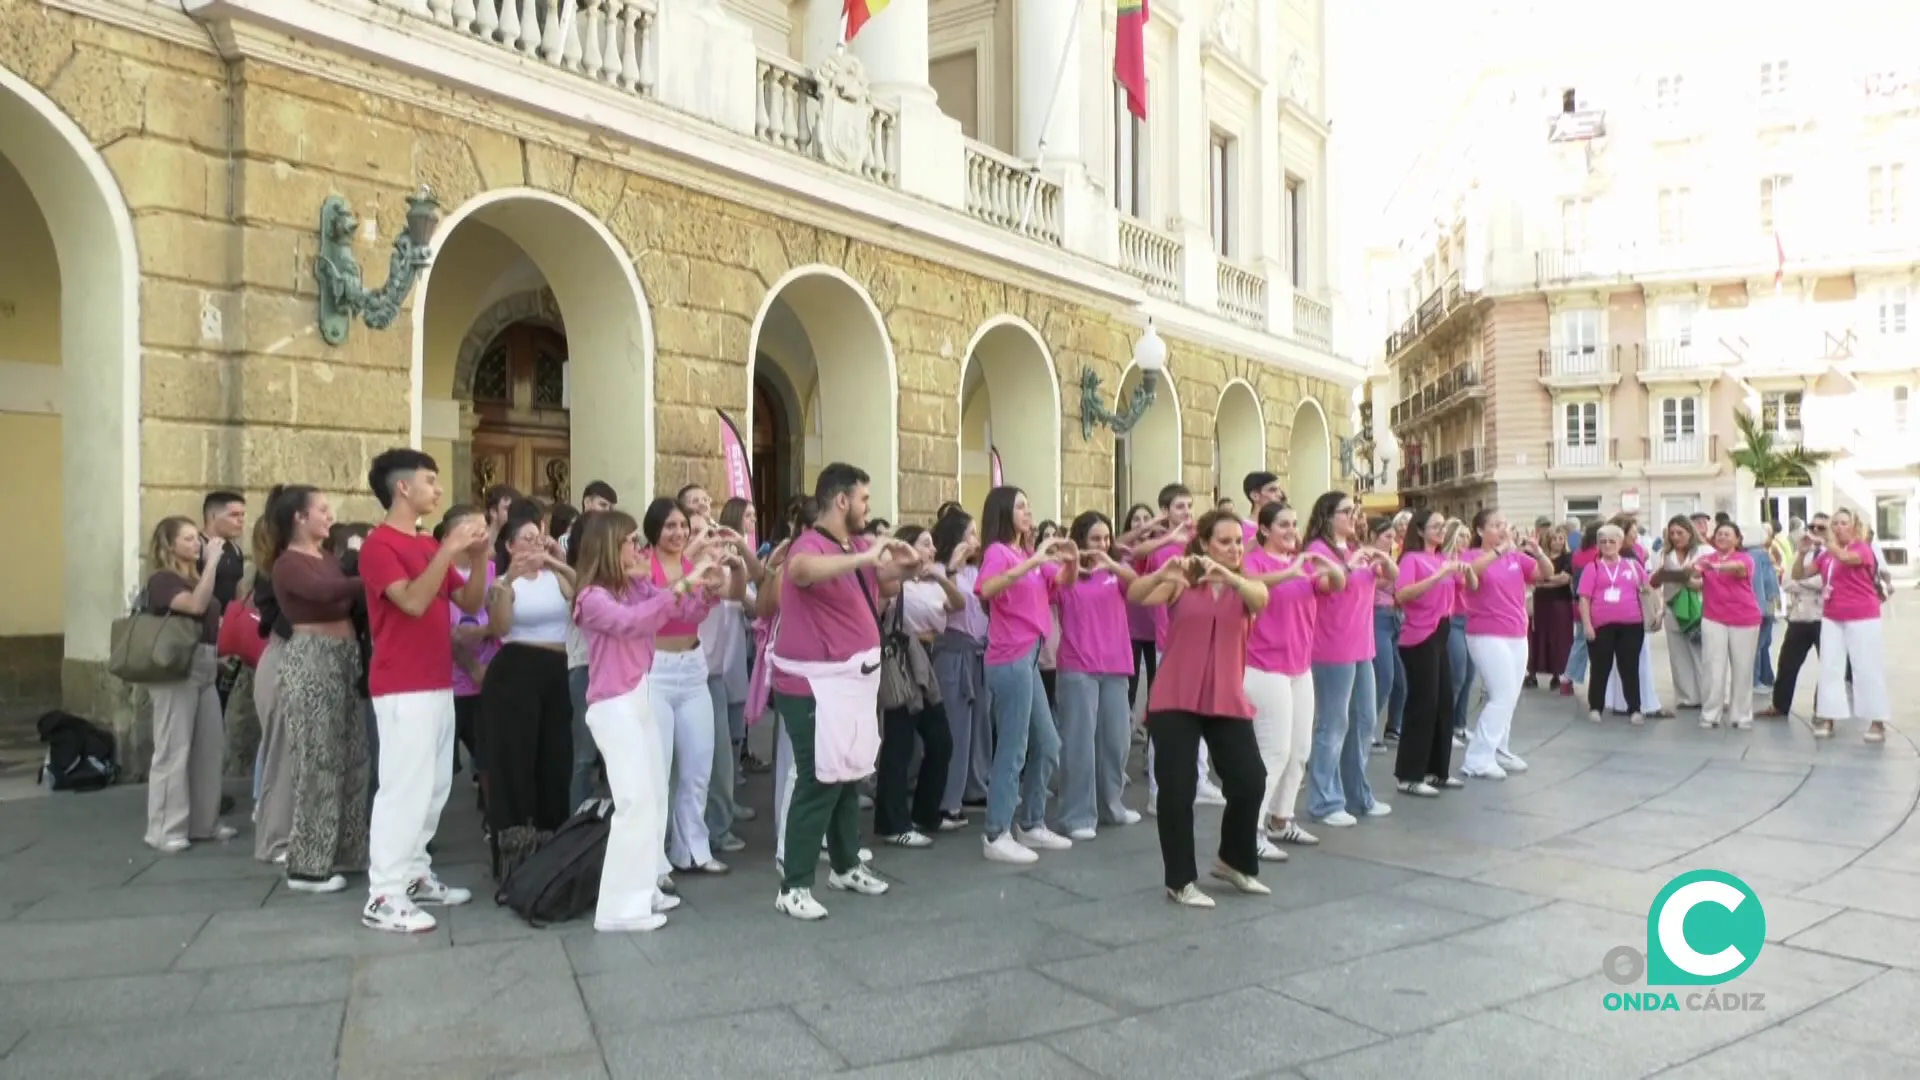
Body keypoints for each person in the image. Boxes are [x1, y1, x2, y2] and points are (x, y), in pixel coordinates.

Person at [572, 509, 725, 932]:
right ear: (610, 547)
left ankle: (644, 889)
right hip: (613, 704)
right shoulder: (592, 598)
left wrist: (707, 589)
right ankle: (619, 909)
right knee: (634, 804)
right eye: (632, 542)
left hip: (637, 695)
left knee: (654, 796)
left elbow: (674, 611)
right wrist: (685, 583)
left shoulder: (633, 586)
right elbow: (633, 623)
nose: (640, 549)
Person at [358, 449, 490, 934]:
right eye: (430, 481)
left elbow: (469, 603)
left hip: (436, 681)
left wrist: (475, 561)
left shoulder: (424, 546)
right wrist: (448, 550)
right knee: (403, 789)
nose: (438, 490)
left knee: (434, 785)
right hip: (401, 684)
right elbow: (412, 602)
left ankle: (413, 873)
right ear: (402, 488)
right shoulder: (379, 545)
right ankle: (384, 894)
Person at [767, 463, 907, 920]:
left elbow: (885, 582)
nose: (869, 507)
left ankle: (845, 866)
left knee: (849, 774)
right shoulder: (810, 545)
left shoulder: (857, 545)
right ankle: (793, 887)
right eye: (864, 498)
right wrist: (866, 557)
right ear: (842, 500)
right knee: (818, 779)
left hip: (851, 682)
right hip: (811, 686)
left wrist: (911, 562)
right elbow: (802, 571)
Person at [1128, 510, 1271, 909]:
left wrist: (1231, 577)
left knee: (1250, 779)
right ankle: (1180, 880)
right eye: (1224, 542)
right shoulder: (1182, 582)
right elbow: (1135, 594)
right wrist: (1164, 573)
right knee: (1177, 789)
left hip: (1225, 696)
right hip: (1175, 695)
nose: (1234, 548)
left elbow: (1261, 597)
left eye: (1239, 542)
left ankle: (1233, 860)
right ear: (1205, 544)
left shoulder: (1245, 587)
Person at [269, 486, 371, 894]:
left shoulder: (327, 558)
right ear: (299, 517)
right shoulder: (288, 564)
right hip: (312, 657)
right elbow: (325, 594)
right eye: (322, 510)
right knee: (318, 758)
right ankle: (308, 865)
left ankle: (347, 849)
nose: (329, 517)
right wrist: (366, 575)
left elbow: (341, 596)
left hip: (345, 656)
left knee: (353, 755)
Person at [975, 485, 1077, 863]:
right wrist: (1034, 560)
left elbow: (1063, 581)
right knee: (1013, 748)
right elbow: (986, 588)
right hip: (1009, 658)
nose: (1028, 511)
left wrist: (1072, 557)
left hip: (1030, 657)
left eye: (1028, 504)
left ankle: (1032, 823)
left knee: (1048, 744)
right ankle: (995, 832)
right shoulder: (999, 553)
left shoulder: (1022, 553)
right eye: (1020, 505)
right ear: (1004, 512)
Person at [480, 502, 580, 870]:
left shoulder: (556, 577)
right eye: (527, 538)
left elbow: (580, 591)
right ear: (510, 546)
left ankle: (552, 843)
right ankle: (514, 848)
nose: (536, 543)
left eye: (540, 537)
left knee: (555, 760)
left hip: (556, 669)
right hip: (516, 669)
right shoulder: (503, 582)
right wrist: (508, 580)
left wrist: (556, 560)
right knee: (516, 761)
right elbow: (500, 627)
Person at [141, 516, 238, 853]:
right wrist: (212, 563)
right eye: (186, 539)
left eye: (196, 538)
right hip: (175, 668)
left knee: (208, 747)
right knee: (174, 747)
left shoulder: (193, 578)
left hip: (204, 663)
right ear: (169, 545)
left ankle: (202, 822)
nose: (196, 544)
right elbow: (195, 606)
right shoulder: (163, 581)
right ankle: (164, 827)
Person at [1241, 502, 1331, 852]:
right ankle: (1250, 831)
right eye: (1283, 524)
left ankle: (1281, 819)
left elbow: (1335, 584)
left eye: (1294, 524)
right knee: (1274, 751)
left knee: (1300, 750)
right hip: (1263, 666)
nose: (1292, 530)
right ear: (1263, 530)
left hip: (1299, 666)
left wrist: (1334, 567)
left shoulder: (1304, 562)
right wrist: (1293, 570)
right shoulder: (1254, 561)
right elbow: (1248, 583)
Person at [1302, 491, 1392, 827]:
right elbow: (1325, 585)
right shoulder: (1317, 551)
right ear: (1327, 516)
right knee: (1333, 723)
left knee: (1365, 721)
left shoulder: (1356, 549)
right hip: (1331, 648)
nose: (1354, 516)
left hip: (1362, 646)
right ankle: (1325, 801)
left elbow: (1390, 577)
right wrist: (1350, 563)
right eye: (1346, 511)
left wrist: (1376, 556)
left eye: (1355, 511)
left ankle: (1358, 795)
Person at [1051, 511, 1141, 842]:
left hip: (1116, 665)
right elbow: (1051, 588)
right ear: (1080, 541)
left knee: (1116, 741)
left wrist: (1112, 563)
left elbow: (1140, 587)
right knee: (1079, 744)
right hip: (1078, 667)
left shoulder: (1116, 573)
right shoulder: (1068, 575)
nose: (1102, 544)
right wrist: (1073, 562)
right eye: (1095, 539)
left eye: (1106, 538)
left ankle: (1111, 805)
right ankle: (1076, 815)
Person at [874, 524, 961, 847]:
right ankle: (892, 821)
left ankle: (926, 812)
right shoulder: (897, 581)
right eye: (925, 544)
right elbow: (884, 598)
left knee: (940, 740)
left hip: (925, 660)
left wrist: (939, 574)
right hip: (900, 660)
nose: (932, 550)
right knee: (899, 743)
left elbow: (958, 604)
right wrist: (908, 567)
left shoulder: (932, 580)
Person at [1459, 510, 1551, 780]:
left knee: (1510, 695)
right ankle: (1477, 759)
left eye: (1505, 525)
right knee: (1501, 695)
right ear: (1479, 531)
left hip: (1516, 632)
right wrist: (1499, 551)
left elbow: (1545, 574)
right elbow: (1470, 575)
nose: (1503, 529)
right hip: (1486, 633)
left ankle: (1500, 748)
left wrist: (1538, 552)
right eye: (1496, 525)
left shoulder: (1516, 557)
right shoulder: (1472, 556)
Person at [1390, 508, 1464, 796]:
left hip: (1441, 629)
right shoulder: (1411, 559)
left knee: (1444, 700)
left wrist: (1464, 573)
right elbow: (1402, 594)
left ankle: (1437, 770)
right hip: (1419, 635)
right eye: (1435, 526)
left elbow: (1470, 586)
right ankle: (1409, 775)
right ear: (1419, 530)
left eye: (1443, 526)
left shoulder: (1442, 559)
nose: (1441, 531)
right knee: (1423, 703)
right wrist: (1440, 575)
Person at [1800, 508, 1889, 742]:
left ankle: (1877, 720)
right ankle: (1828, 716)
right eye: (1835, 523)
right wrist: (1801, 554)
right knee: (1829, 667)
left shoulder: (1861, 548)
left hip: (1863, 615)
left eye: (1843, 523)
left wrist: (1828, 544)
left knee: (1866, 667)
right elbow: (1801, 574)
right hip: (1832, 615)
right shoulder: (1827, 554)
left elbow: (1848, 559)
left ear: (1853, 526)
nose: (1838, 527)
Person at [1578, 524, 1652, 725]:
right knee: (1600, 667)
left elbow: (1647, 588)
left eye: (1612, 541)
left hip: (1631, 623)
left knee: (1630, 667)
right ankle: (1595, 707)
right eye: (1603, 542)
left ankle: (1635, 709)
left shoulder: (1632, 566)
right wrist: (1587, 625)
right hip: (1601, 624)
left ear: (1620, 543)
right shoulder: (1592, 567)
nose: (1608, 545)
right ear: (1598, 545)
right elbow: (1584, 598)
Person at [1693, 521, 1761, 731]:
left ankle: (1741, 714)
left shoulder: (1744, 558)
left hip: (1744, 618)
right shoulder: (1706, 558)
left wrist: (1714, 567)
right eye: (1719, 534)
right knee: (1713, 666)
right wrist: (1690, 574)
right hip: (1713, 617)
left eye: (1727, 534)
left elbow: (1739, 570)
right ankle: (1710, 713)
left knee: (1742, 668)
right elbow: (1695, 579)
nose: (1722, 537)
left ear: (1737, 539)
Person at [1651, 516, 1706, 710]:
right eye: (1672, 533)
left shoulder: (1705, 551)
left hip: (1698, 607)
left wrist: (1691, 579)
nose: (1675, 537)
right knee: (1678, 654)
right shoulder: (1665, 553)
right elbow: (1655, 581)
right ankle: (1686, 697)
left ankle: (1708, 696)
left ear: (1690, 532)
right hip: (1673, 606)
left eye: (1679, 533)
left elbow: (1713, 578)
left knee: (1701, 653)